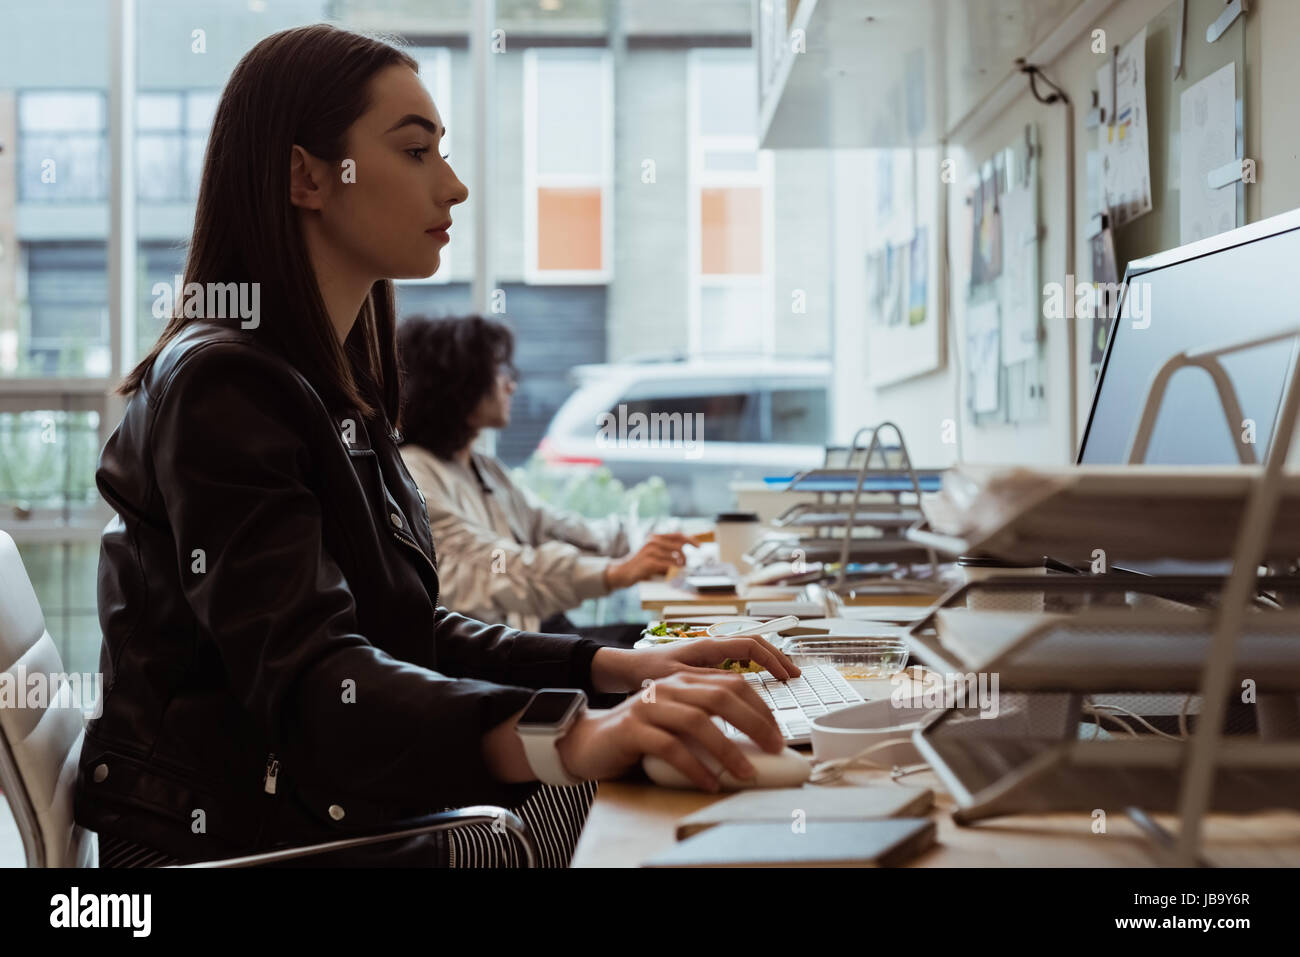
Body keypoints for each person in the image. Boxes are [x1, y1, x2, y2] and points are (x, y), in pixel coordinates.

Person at [74, 23, 799, 869]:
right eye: (416, 152)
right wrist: (571, 734)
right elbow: (318, 684)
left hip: (307, 808)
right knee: (658, 795)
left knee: (664, 779)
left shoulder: (321, 383)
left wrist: (627, 667)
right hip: (233, 846)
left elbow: (409, 632)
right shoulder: (222, 387)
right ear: (308, 174)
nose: (452, 187)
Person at [396, 313, 698, 649]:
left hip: (531, 630)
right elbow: (494, 568)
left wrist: (674, 538)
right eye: (500, 371)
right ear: (459, 384)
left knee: (676, 642)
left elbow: (560, 528)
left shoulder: (481, 466)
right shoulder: (417, 473)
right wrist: (614, 573)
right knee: (667, 655)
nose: (511, 384)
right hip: (498, 651)